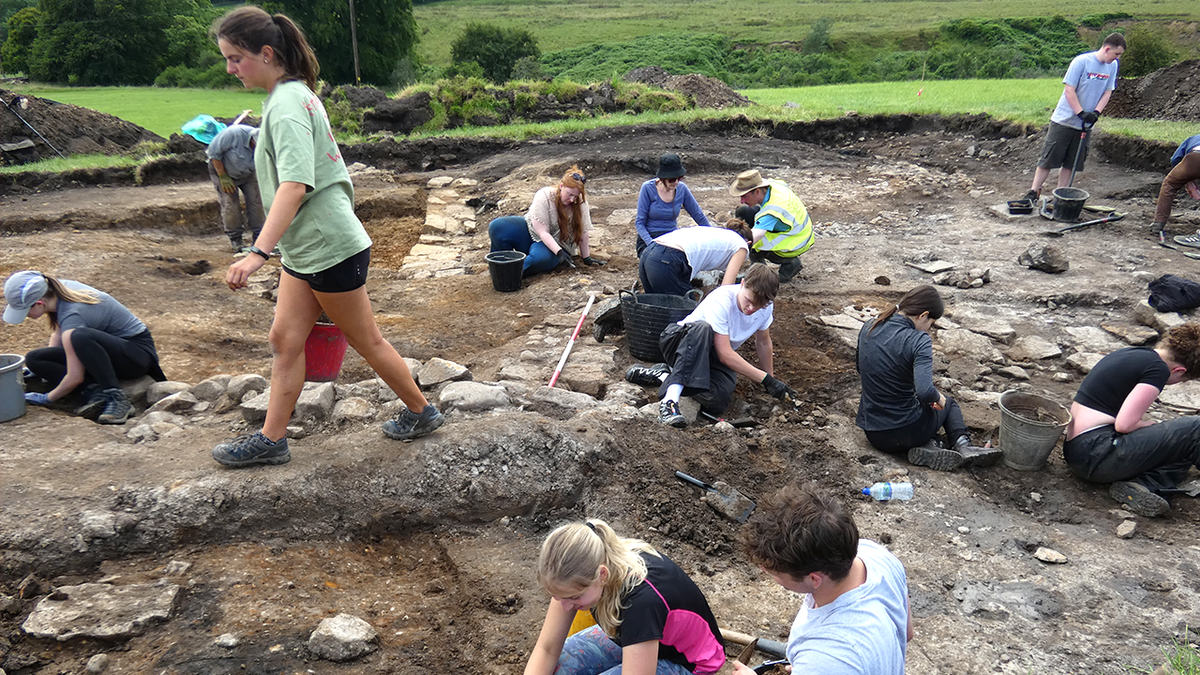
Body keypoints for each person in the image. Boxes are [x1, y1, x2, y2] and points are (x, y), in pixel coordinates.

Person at [210, 6, 444, 468]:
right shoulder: (285, 99)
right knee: (284, 338)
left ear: (266, 53)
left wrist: (258, 251)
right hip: (308, 248)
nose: (230, 69)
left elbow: (294, 186)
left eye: (236, 58)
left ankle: (422, 412)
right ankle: (272, 440)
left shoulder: (288, 106)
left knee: (367, 340)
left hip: (328, 248)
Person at [735, 485, 912, 675]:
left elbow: (833, 659)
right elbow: (906, 632)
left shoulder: (828, 654)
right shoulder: (874, 554)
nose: (764, 570)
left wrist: (819, 666)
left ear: (814, 578)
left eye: (775, 571)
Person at [524, 519, 726, 675]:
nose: (565, 606)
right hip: (635, 635)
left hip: (689, 662)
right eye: (558, 597)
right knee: (558, 667)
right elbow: (547, 649)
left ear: (601, 575)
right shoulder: (573, 572)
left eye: (574, 597)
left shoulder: (640, 603)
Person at [625, 263, 797, 427]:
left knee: (718, 398)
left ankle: (663, 376)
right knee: (703, 328)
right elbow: (725, 354)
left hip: (709, 355)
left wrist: (771, 380)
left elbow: (763, 341)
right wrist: (764, 378)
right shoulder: (722, 299)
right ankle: (669, 403)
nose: (751, 308)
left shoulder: (766, 306)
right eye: (749, 300)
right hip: (681, 342)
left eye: (759, 305)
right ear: (742, 283)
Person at [855, 285, 1001, 471]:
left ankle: (931, 444)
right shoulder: (918, 340)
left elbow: (861, 368)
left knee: (919, 408)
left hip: (874, 434)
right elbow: (924, 391)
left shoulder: (870, 325)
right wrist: (938, 398)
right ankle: (963, 446)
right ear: (923, 315)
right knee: (949, 405)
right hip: (906, 431)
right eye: (931, 323)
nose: (928, 329)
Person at [1062, 323, 1200, 517]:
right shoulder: (1158, 369)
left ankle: (1143, 486)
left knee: (1181, 445)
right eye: (1182, 380)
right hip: (1098, 453)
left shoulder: (1135, 353)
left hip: (1080, 451)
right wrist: (1146, 425)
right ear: (1179, 370)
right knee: (1196, 428)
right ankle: (1147, 483)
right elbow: (1124, 424)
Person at [3, 270, 166, 424]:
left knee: (80, 337)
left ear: (39, 303)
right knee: (34, 358)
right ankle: (95, 390)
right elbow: (58, 334)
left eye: (25, 312)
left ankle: (117, 398)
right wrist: (42, 370)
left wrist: (47, 398)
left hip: (135, 357)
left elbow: (75, 377)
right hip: (102, 351)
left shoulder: (74, 315)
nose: (25, 317)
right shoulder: (57, 291)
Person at [1020, 33, 1125, 203]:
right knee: (1048, 159)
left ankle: (1060, 196)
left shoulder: (1112, 66)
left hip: (1085, 125)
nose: (1117, 58)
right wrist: (1080, 112)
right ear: (1107, 49)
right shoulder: (1081, 62)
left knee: (1071, 163)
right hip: (1064, 120)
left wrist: (1096, 113)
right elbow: (1069, 90)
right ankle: (1033, 192)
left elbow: (1107, 92)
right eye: (1117, 54)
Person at [488, 167, 606, 277]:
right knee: (498, 227)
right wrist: (559, 253)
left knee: (541, 259)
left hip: (556, 244)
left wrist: (586, 258)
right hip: (532, 233)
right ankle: (498, 265)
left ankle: (509, 274)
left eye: (575, 196)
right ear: (561, 186)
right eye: (569, 194)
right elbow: (542, 232)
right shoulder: (544, 195)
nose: (572, 199)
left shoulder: (580, 203)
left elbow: (583, 232)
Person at [729, 170, 813, 283]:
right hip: (799, 229)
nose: (742, 200)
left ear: (757, 191)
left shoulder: (772, 211)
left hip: (796, 241)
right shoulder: (775, 185)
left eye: (744, 196)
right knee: (743, 212)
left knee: (751, 242)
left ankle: (787, 265)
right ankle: (758, 266)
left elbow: (753, 237)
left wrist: (732, 252)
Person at [638, 218, 751, 296]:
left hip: (649, 253)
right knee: (686, 315)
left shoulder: (719, 234)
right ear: (749, 243)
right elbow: (725, 288)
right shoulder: (742, 245)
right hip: (668, 259)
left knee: (656, 310)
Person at [634, 153, 713, 257]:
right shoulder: (648, 188)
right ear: (662, 178)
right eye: (672, 179)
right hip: (650, 238)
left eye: (679, 178)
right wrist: (651, 244)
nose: (676, 182)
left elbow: (698, 215)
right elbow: (639, 223)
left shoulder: (682, 189)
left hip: (671, 237)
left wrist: (712, 235)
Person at [206, 123, 265, 253]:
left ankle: (259, 238)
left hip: (249, 173)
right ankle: (236, 240)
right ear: (253, 141)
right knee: (230, 204)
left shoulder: (266, 144)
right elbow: (213, 154)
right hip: (223, 171)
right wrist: (222, 175)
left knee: (257, 203)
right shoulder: (233, 134)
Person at [1155, 134, 1200, 244]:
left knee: (1169, 184)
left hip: (1196, 158)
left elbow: (1175, 159)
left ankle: (1158, 223)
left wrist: (1186, 180)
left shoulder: (1193, 138)